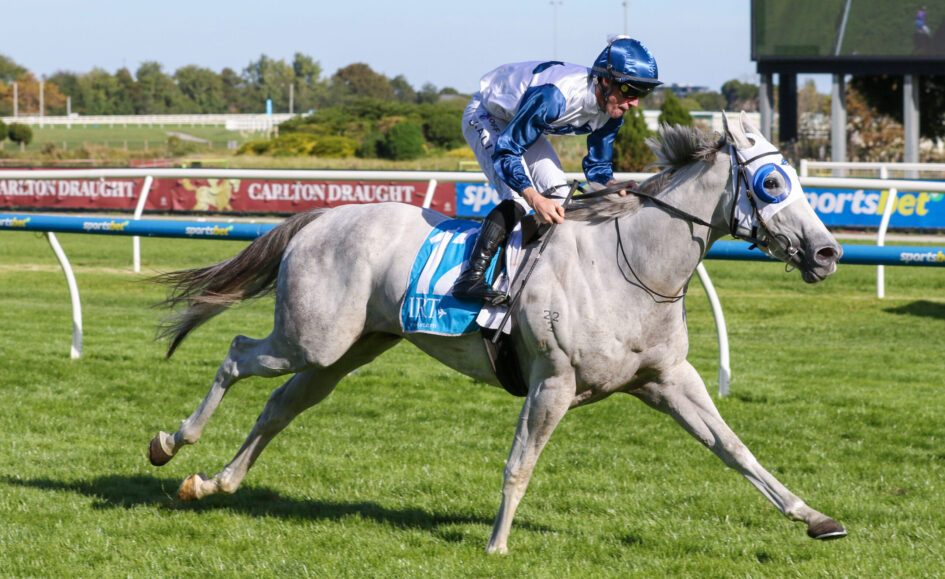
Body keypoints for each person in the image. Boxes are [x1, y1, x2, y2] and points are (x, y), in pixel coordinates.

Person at [451, 35, 662, 305]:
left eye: (642, 94)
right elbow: (507, 151)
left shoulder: (612, 112)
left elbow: (597, 167)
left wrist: (610, 185)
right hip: (486, 114)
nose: (634, 103)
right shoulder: (554, 97)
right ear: (607, 81)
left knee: (563, 198)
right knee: (517, 197)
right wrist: (534, 197)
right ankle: (471, 278)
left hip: (522, 122)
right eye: (631, 91)